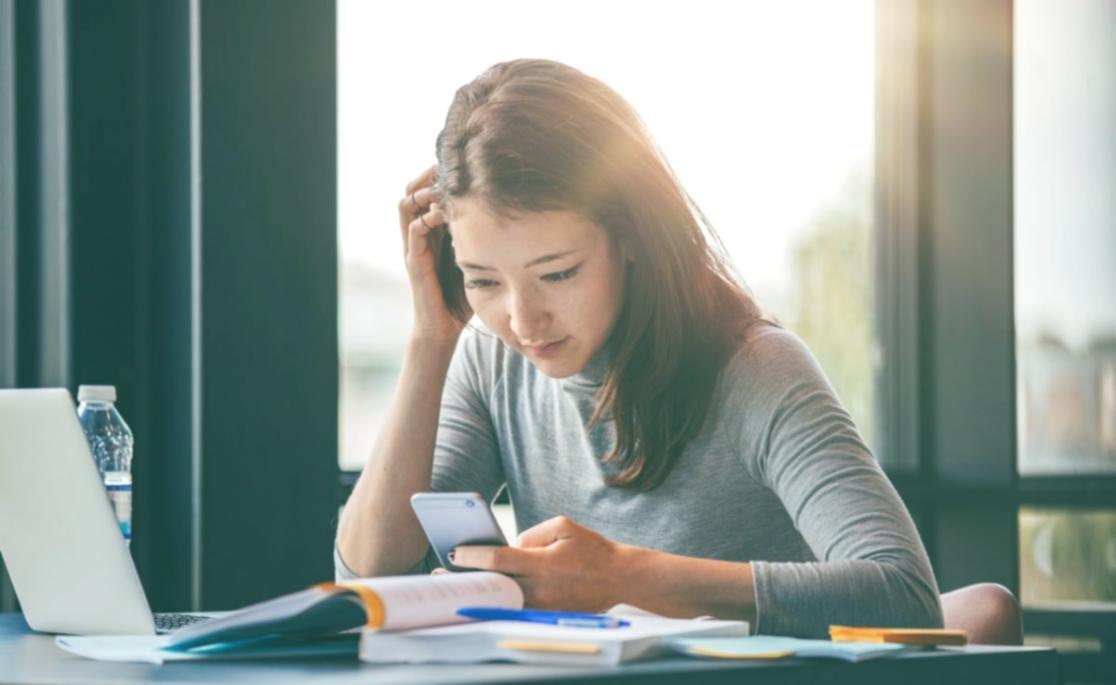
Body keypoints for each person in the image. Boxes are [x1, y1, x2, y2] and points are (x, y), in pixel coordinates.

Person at [335, 58, 942, 638]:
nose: (522, 320)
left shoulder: (756, 368)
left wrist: (624, 579)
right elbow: (365, 576)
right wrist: (428, 341)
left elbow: (905, 596)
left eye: (559, 273)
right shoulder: (491, 359)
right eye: (483, 281)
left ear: (630, 237)